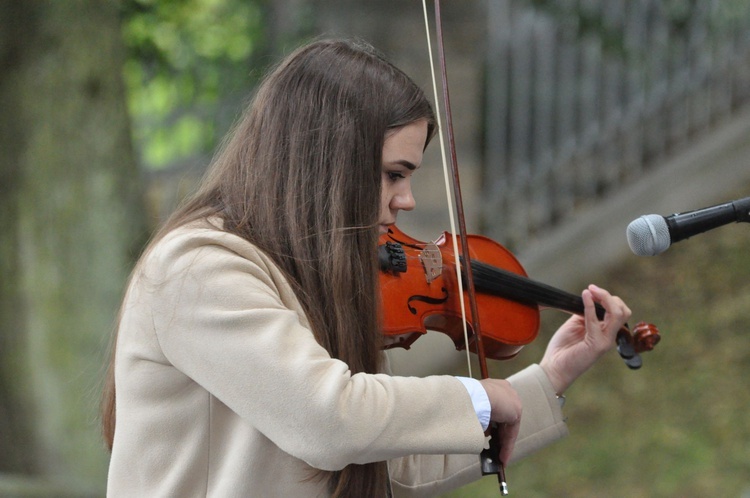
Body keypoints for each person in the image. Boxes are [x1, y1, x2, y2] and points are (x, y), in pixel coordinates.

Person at [101, 38, 631, 497]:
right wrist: (480, 396)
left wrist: (548, 379)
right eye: (393, 175)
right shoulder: (198, 268)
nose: (405, 201)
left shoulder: (311, 276)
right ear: (325, 162)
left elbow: (392, 460)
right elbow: (329, 420)